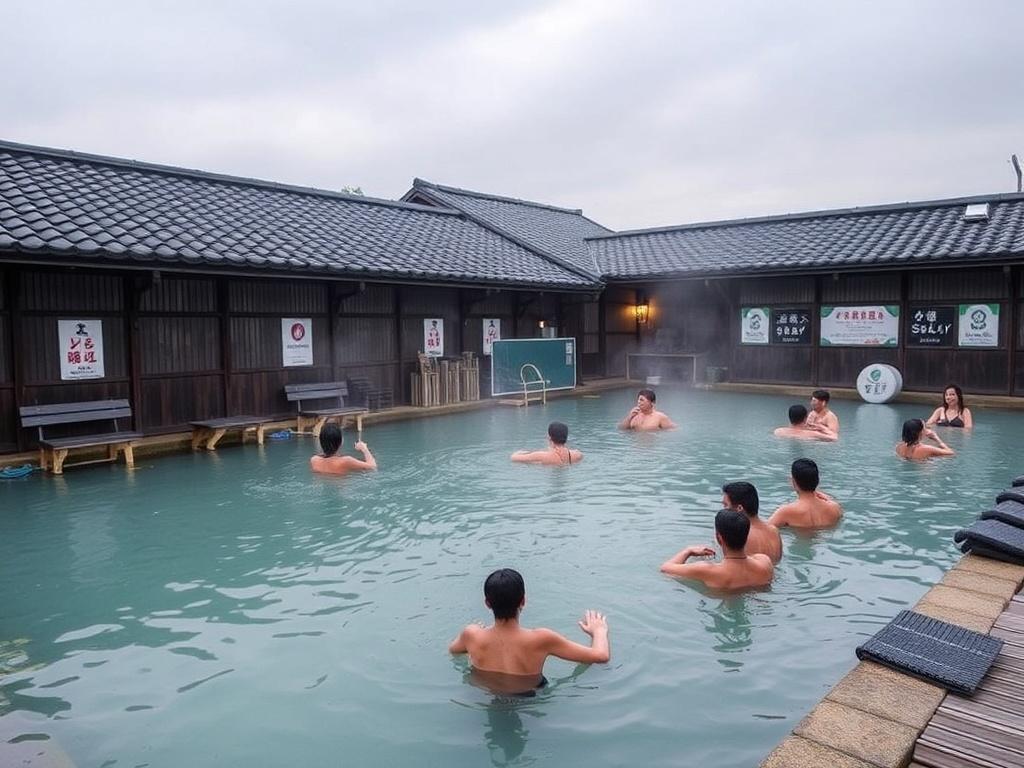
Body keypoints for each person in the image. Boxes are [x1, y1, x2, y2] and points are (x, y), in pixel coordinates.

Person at [448, 568, 610, 695]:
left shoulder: (471, 634)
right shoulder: (541, 639)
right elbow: (601, 656)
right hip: (530, 697)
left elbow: (454, 652)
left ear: (487, 603)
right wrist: (599, 631)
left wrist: (477, 642)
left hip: (487, 694)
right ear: (523, 601)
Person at [659, 509, 774, 590]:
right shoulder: (765, 562)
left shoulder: (707, 570)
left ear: (719, 538)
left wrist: (688, 551)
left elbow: (665, 568)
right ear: (747, 534)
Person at [768, 459, 843, 529]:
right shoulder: (835, 508)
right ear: (818, 480)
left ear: (793, 481)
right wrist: (829, 499)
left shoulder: (785, 512)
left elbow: (766, 530)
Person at [722, 481, 782, 562]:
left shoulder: (738, 535)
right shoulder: (774, 531)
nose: (723, 509)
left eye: (725, 505)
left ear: (739, 508)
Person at [309, 422, 377, 474]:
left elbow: (327, 456)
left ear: (321, 442)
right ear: (341, 442)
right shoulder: (346, 461)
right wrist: (364, 449)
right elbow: (372, 467)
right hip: (342, 490)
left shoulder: (314, 460)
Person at [511, 421, 583, 465]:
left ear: (549, 438)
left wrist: (526, 452)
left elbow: (513, 457)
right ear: (566, 438)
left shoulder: (541, 455)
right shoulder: (577, 454)